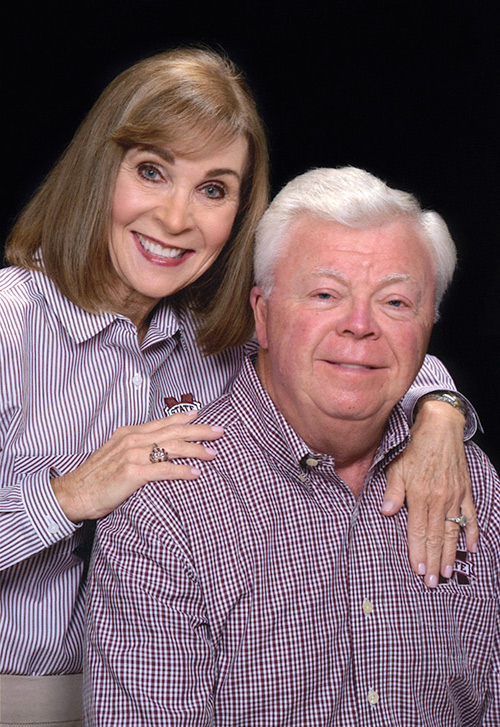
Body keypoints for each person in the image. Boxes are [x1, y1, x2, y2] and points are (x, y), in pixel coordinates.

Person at [0, 47, 475, 725]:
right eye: (152, 171)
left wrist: (440, 412)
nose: (174, 218)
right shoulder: (7, 324)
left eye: (213, 189)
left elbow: (354, 348)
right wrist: (68, 494)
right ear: (99, 170)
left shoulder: (214, 342)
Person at [85, 167, 500, 726]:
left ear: (430, 321)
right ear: (262, 311)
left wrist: (443, 406)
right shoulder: (164, 508)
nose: (360, 325)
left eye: (396, 303)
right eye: (326, 294)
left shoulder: (468, 479)